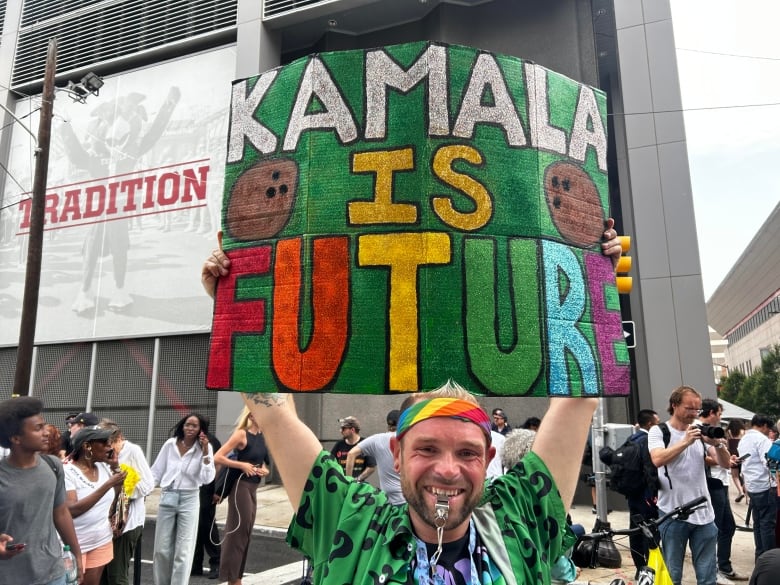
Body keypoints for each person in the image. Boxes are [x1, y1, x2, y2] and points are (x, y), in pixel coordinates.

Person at [201, 219, 622, 584]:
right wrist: (234, 297)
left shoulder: (519, 520)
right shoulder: (350, 519)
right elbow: (271, 412)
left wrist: (591, 265)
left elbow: (580, 395)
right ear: (397, 453)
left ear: (489, 456)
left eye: (467, 452)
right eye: (427, 448)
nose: (447, 469)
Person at [648, 386, 732, 585]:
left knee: (707, 576)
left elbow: (725, 464)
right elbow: (658, 459)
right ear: (674, 405)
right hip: (673, 513)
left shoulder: (699, 430)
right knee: (673, 574)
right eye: (689, 408)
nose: (694, 413)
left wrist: (718, 444)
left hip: (704, 514)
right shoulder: (659, 431)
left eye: (697, 409)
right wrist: (686, 441)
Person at [0, 396, 84, 585]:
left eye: (44, 425)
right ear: (15, 438)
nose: (46, 432)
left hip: (53, 573)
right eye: (38, 428)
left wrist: (77, 554)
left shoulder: (53, 466)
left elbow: (61, 513)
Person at [150, 413, 215, 585]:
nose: (190, 428)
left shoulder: (203, 449)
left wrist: (206, 451)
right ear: (182, 425)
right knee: (161, 550)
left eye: (195, 426)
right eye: (188, 424)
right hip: (168, 495)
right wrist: (143, 490)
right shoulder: (170, 445)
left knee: (183, 551)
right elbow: (156, 472)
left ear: (201, 430)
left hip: (190, 498)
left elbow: (207, 478)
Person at [213, 407, 270, 585]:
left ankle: (237, 577)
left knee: (246, 532)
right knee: (237, 531)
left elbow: (266, 466)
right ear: (251, 415)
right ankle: (231, 578)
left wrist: (264, 472)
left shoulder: (263, 437)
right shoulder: (241, 435)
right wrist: (242, 465)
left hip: (253, 488)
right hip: (240, 487)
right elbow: (218, 457)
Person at [64, 426, 127, 585]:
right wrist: (107, 484)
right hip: (74, 545)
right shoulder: (67, 472)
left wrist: (114, 467)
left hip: (100, 540)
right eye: (104, 443)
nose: (109, 447)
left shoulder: (103, 467)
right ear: (87, 446)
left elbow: (116, 495)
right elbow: (72, 510)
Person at [98, 420, 155, 585]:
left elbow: (148, 485)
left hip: (127, 522)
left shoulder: (132, 451)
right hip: (104, 521)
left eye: (110, 443)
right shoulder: (101, 454)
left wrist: (123, 490)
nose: (107, 447)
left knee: (117, 575)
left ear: (119, 439)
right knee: (102, 574)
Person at [699, 400, 747, 584]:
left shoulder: (713, 432)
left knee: (728, 526)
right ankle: (714, 571)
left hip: (722, 482)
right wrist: (719, 459)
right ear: (711, 412)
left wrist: (727, 457)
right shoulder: (697, 430)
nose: (720, 417)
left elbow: (720, 457)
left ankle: (724, 567)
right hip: (711, 484)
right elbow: (701, 457)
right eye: (719, 413)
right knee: (715, 529)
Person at [624, 408, 660, 579]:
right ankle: (649, 570)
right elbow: (651, 468)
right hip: (646, 494)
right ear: (650, 424)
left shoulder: (630, 439)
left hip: (632, 494)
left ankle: (639, 568)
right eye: (657, 423)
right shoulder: (646, 441)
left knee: (635, 531)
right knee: (650, 531)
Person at [737, 414, 777, 559]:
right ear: (764, 426)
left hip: (752, 486)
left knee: (758, 524)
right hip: (766, 486)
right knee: (768, 525)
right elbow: (769, 463)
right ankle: (769, 559)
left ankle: (760, 557)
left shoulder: (744, 439)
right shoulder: (762, 440)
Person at [345, 409, 405, 504]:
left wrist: (348, 482)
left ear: (388, 425)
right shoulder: (408, 439)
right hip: (407, 500)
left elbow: (351, 454)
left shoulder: (377, 439)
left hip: (387, 504)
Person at [192, 429, 222, 580]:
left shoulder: (212, 441)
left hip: (207, 488)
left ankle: (216, 563)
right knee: (194, 525)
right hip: (192, 487)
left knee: (208, 525)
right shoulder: (190, 440)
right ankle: (195, 564)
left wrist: (217, 489)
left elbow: (219, 465)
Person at [726, 419, 746, 502]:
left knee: (735, 476)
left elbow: (727, 444)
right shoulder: (744, 431)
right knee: (744, 475)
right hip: (742, 453)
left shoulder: (729, 431)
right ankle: (748, 498)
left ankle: (741, 492)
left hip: (733, 454)